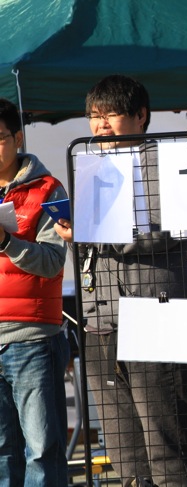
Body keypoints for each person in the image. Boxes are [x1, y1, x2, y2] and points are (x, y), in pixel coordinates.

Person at [55, 75, 187, 487]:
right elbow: (90, 251)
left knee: (170, 443)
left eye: (111, 115)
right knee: (124, 453)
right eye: (93, 116)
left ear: (141, 116)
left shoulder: (174, 162)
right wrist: (76, 235)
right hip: (101, 321)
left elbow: (180, 230)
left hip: (162, 312)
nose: (100, 125)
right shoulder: (90, 167)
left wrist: (106, 232)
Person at [0, 98, 70, 486]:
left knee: (42, 451)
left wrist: (6, 242)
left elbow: (52, 261)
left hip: (31, 339)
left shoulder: (47, 189)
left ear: (18, 138)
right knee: (2, 450)